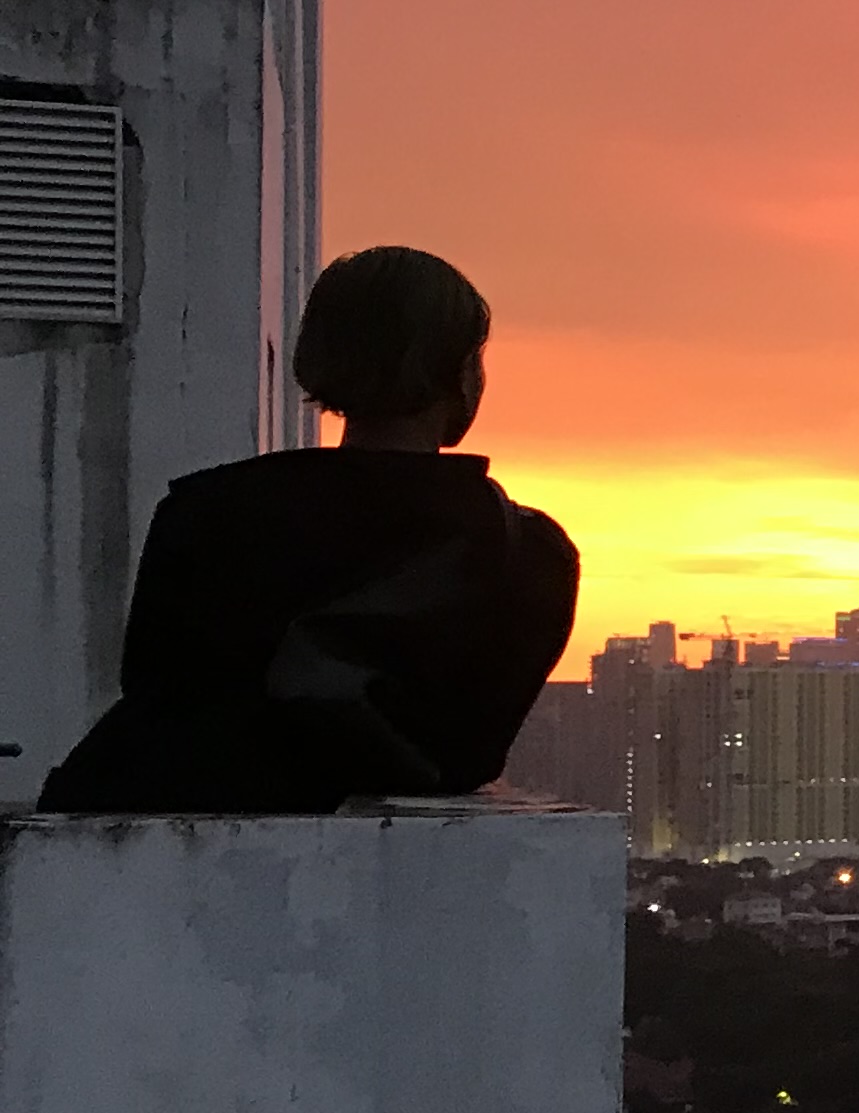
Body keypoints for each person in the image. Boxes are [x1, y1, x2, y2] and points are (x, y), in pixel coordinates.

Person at [39, 246, 581, 813]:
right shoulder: (526, 557)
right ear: (460, 374)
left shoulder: (205, 512)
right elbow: (470, 755)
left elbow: (156, 695)